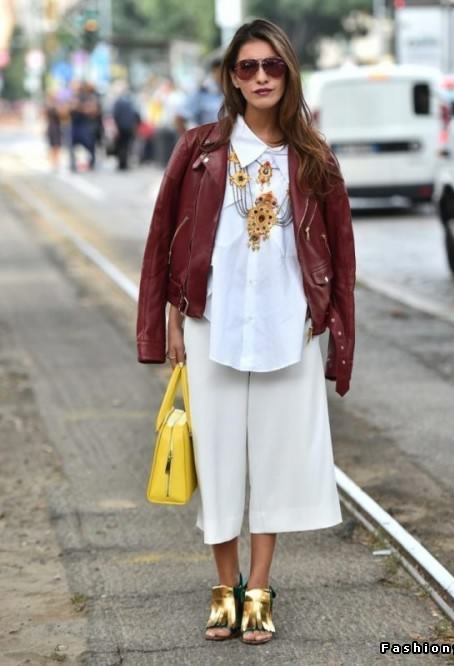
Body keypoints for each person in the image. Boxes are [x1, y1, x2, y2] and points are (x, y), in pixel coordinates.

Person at [136, 19, 355, 645]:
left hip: (289, 327)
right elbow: (164, 240)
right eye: (247, 67)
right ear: (231, 78)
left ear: (288, 72)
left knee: (277, 460)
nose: (261, 77)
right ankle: (223, 587)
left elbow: (341, 252)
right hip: (213, 326)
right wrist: (170, 318)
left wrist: (337, 334)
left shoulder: (313, 156)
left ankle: (258, 588)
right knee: (219, 459)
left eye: (272, 66)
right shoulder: (199, 149)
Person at [176, 58, 224, 133]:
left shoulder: (231, 91)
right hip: (208, 138)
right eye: (220, 71)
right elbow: (179, 118)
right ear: (214, 71)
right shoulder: (201, 93)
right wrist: (188, 139)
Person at [112, 82, 139, 170]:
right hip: (127, 126)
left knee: (121, 145)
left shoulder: (119, 102)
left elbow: (115, 115)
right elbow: (135, 115)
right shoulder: (130, 102)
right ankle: (124, 163)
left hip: (121, 126)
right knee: (126, 145)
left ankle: (122, 163)